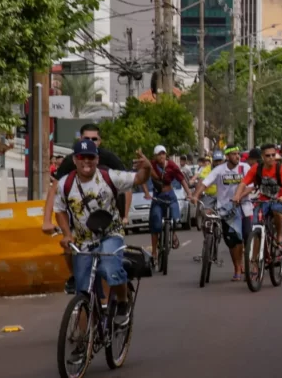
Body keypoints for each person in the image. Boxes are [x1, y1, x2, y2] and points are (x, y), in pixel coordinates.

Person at [53, 140, 152, 328]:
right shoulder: (65, 184)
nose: (86, 162)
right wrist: (67, 234)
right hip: (83, 240)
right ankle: (83, 345)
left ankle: (123, 303)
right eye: (82, 157)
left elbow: (139, 179)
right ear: (75, 160)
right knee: (83, 293)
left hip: (110, 234)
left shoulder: (109, 177)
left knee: (110, 270)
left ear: (97, 159)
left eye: (90, 157)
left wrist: (146, 168)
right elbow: (60, 210)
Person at [42, 123, 131, 294]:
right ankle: (76, 277)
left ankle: (109, 305)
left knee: (106, 267)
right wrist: (46, 221)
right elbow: (54, 189)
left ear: (100, 141)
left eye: (94, 139)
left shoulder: (110, 159)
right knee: (68, 247)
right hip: (80, 222)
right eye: (86, 139)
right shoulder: (72, 160)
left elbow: (126, 188)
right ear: (79, 139)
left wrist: (125, 215)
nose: (91, 142)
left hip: (107, 222)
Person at [192, 145, 252, 281]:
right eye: (234, 154)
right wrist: (196, 195)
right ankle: (237, 267)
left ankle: (247, 264)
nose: (237, 156)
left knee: (246, 237)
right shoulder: (219, 170)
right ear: (227, 156)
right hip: (226, 210)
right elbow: (205, 183)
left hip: (244, 208)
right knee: (232, 241)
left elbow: (250, 186)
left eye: (238, 154)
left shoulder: (244, 168)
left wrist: (239, 196)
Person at [234, 144, 282, 253]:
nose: (271, 158)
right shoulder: (257, 168)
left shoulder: (280, 168)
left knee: (277, 211)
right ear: (262, 157)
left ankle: (279, 237)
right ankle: (255, 262)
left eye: (273, 155)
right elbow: (243, 183)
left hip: (278, 200)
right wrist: (237, 196)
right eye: (268, 155)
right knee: (256, 228)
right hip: (263, 201)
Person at [146, 145, 192, 259]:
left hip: (170, 196)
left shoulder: (172, 166)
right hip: (157, 197)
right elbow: (142, 177)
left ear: (166, 155)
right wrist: (146, 192)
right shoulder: (151, 166)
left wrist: (189, 194)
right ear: (155, 156)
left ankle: (173, 234)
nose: (161, 156)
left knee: (176, 217)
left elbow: (181, 180)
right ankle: (154, 252)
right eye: (159, 154)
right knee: (155, 223)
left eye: (163, 153)